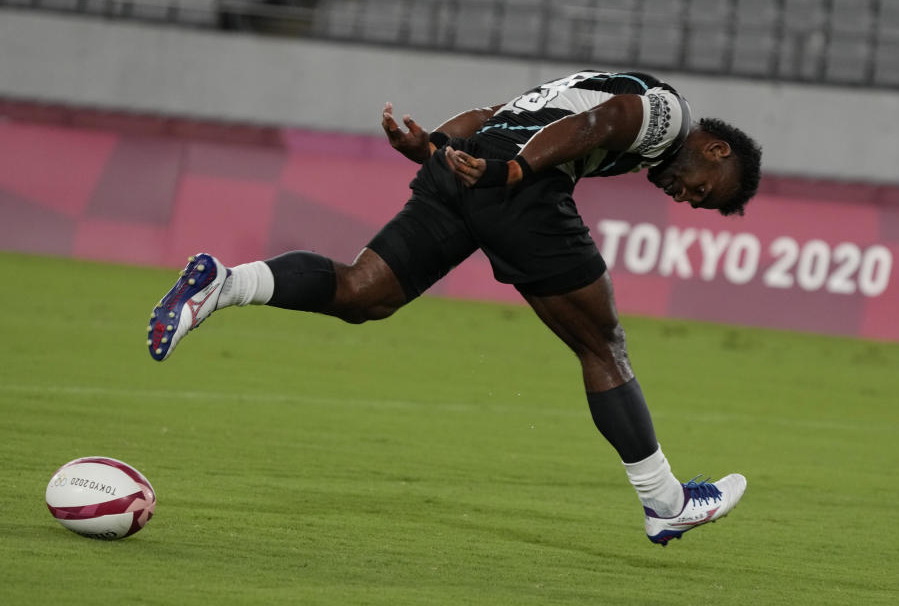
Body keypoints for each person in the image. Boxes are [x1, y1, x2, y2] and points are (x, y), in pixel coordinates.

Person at [147, 70, 762, 546]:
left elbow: (493, 116)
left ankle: (223, 285)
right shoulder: (669, 117)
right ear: (714, 150)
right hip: (515, 184)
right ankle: (664, 501)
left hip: (467, 166)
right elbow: (604, 123)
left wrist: (433, 145)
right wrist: (516, 171)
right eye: (703, 190)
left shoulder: (599, 102)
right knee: (603, 345)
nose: (688, 199)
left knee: (365, 291)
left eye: (697, 205)